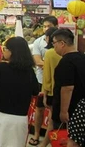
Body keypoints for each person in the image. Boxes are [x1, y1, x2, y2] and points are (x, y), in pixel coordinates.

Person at [0, 36, 39, 147]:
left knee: (0, 143)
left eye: (5, 49)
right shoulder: (29, 71)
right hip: (21, 120)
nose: (3, 51)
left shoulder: (2, 67)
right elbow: (35, 91)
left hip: (2, 117)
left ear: (12, 51)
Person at [51, 28, 85, 146]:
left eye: (54, 43)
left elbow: (67, 88)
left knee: (65, 140)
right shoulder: (82, 57)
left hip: (71, 111)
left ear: (62, 44)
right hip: (81, 110)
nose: (53, 46)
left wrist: (63, 111)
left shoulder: (66, 62)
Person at [29, 15, 58, 146]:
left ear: (55, 27)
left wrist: (44, 62)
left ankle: (53, 138)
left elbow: (42, 62)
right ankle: (36, 135)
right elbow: (37, 61)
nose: (46, 29)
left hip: (57, 82)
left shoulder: (61, 40)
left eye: (49, 26)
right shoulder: (38, 42)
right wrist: (50, 63)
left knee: (54, 111)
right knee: (39, 109)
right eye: (44, 26)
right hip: (41, 81)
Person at [38, 26, 59, 147]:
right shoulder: (63, 53)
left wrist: (44, 93)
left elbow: (47, 77)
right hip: (61, 90)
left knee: (52, 120)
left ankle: (46, 143)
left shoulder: (50, 53)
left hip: (51, 91)